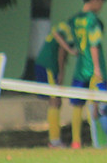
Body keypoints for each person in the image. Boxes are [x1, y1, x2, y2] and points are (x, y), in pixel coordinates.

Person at [68, 0, 107, 149]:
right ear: (95, 0)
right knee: (99, 104)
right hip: (93, 69)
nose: (101, 7)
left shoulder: (75, 19)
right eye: (101, 3)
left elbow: (67, 40)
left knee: (77, 105)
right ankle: (100, 142)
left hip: (80, 68)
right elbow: (94, 44)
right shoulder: (92, 20)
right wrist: (97, 68)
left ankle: (76, 141)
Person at [33, 17, 77, 148]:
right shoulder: (68, 31)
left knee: (56, 101)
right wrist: (61, 73)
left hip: (43, 63)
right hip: (49, 66)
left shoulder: (62, 26)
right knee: (54, 101)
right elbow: (61, 53)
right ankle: (54, 140)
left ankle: (55, 139)